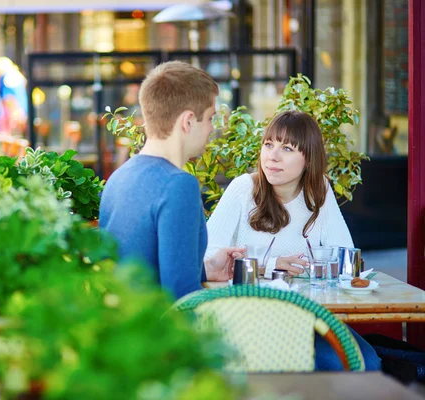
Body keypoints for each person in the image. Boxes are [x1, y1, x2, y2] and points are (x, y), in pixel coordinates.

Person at [205, 110, 380, 370]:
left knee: (367, 363)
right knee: (328, 366)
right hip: (250, 318)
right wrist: (270, 263)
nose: (272, 156)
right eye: (268, 145)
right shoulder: (244, 189)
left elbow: (345, 255)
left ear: (308, 159)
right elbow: (207, 257)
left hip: (310, 316)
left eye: (287, 148)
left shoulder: (318, 190)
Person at [99, 61, 244, 300]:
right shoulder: (178, 185)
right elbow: (182, 297)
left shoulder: (118, 178)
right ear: (187, 121)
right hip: (162, 334)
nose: (211, 128)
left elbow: (144, 267)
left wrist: (207, 269)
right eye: (209, 118)